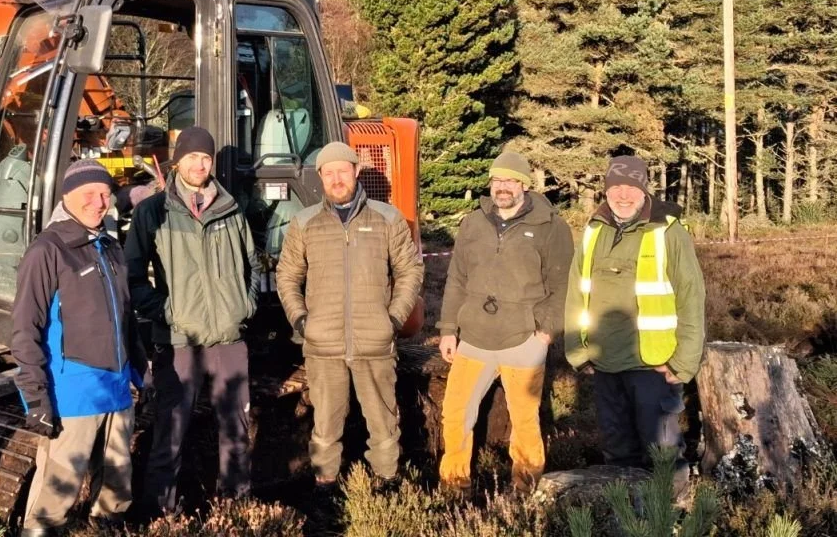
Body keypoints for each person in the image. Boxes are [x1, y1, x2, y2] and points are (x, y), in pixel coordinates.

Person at [275, 141, 424, 495]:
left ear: (356, 172)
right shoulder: (304, 222)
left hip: (374, 341)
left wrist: (393, 319)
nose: (337, 178)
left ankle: (386, 485)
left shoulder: (387, 218)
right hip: (322, 345)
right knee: (325, 424)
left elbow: (410, 271)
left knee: (383, 422)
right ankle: (325, 487)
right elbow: (287, 276)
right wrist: (301, 321)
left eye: (343, 170)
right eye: (329, 173)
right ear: (321, 178)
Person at [125, 125, 260, 514]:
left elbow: (251, 262)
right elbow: (133, 276)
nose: (200, 165)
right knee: (171, 429)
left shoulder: (230, 208)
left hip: (229, 339)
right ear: (178, 162)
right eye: (192, 157)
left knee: (235, 428)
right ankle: (161, 510)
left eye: (206, 157)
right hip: (180, 341)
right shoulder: (153, 212)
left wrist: (244, 306)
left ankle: (235, 506)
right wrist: (169, 314)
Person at [11, 159, 145, 537]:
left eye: (105, 194)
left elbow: (126, 318)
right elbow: (24, 329)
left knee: (117, 485)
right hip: (73, 395)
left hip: (117, 390)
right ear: (67, 196)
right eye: (89, 194)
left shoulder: (110, 246)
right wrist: (35, 399)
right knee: (57, 493)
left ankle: (107, 528)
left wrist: (139, 371)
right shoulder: (48, 250)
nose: (99, 202)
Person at [436, 151, 573, 493]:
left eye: (511, 180)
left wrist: (545, 331)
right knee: (455, 414)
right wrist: (448, 329)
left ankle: (526, 488)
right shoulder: (472, 223)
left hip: (524, 339)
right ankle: (455, 487)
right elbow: (456, 279)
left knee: (525, 420)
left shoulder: (551, 226)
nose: (503, 187)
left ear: (524, 184)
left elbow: (562, 284)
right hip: (474, 338)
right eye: (497, 180)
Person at [564, 155, 705, 484]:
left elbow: (691, 297)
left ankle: (668, 518)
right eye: (616, 187)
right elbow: (576, 293)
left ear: (644, 190)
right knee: (617, 453)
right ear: (606, 190)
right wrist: (577, 350)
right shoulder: (594, 229)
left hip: (654, 367)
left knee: (663, 454)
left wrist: (683, 363)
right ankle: (625, 518)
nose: (623, 195)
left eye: (631, 187)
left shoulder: (668, 231)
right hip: (604, 364)